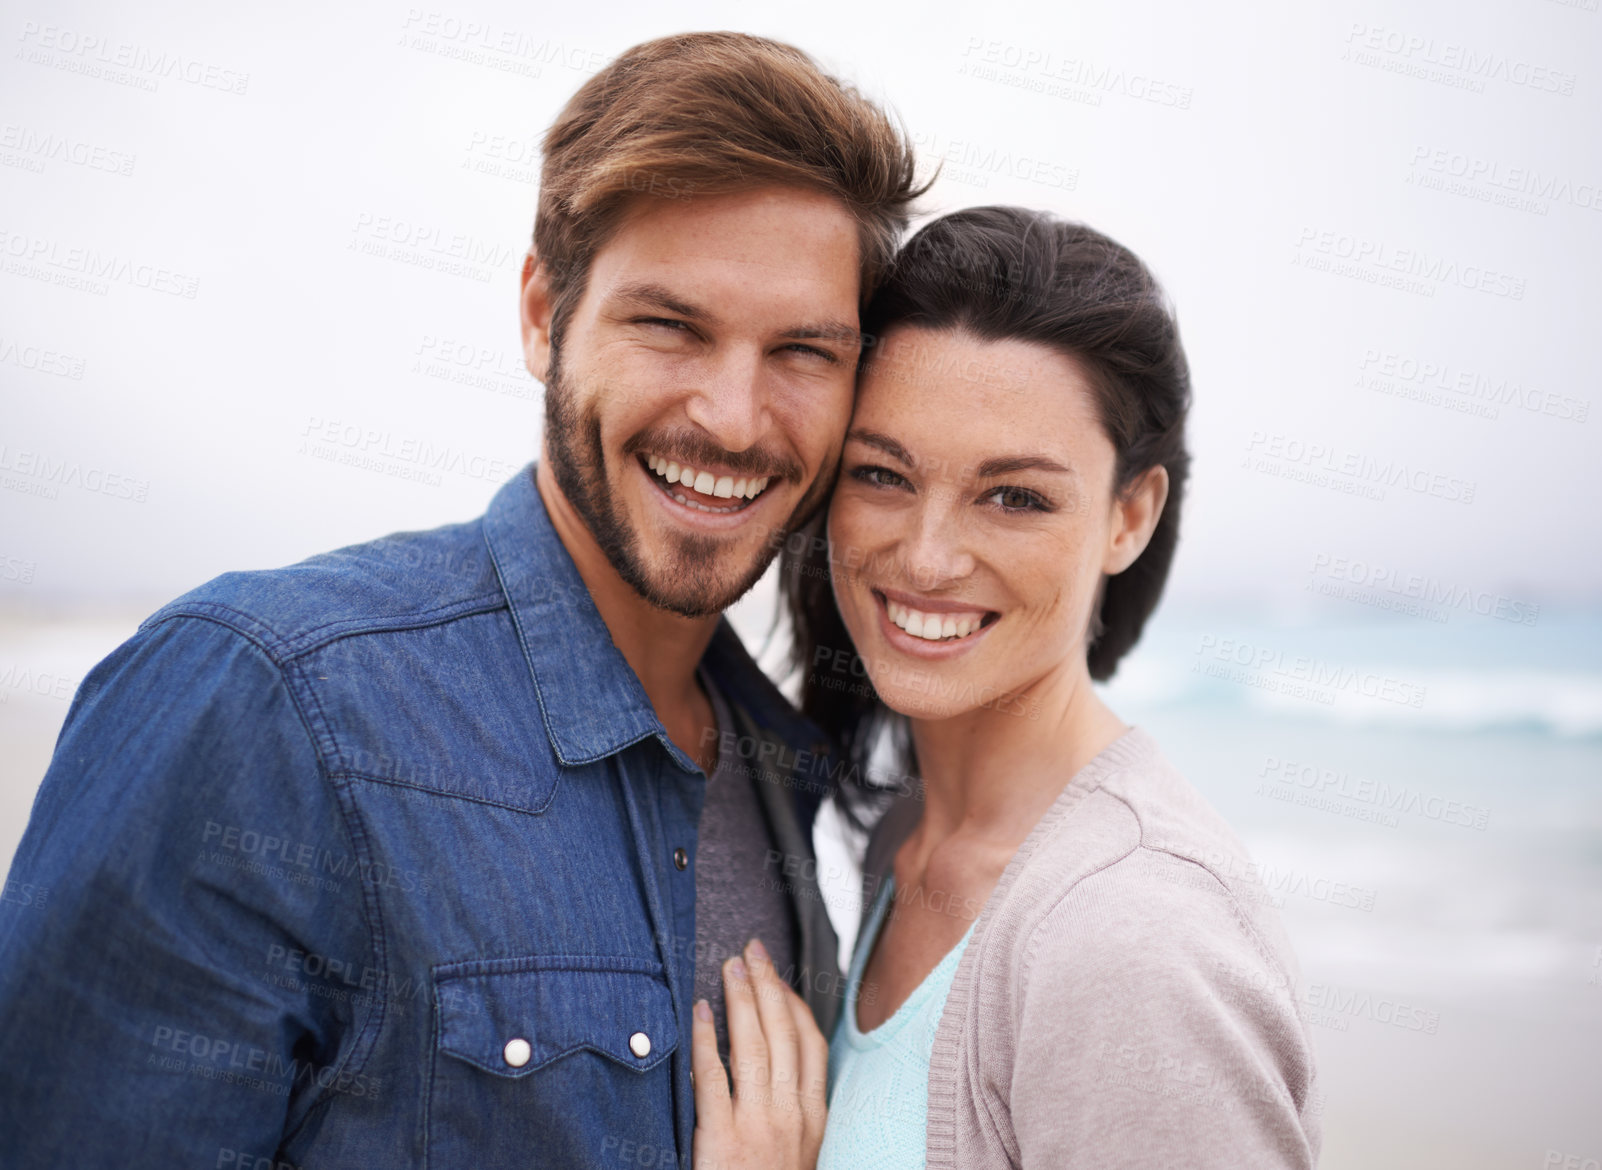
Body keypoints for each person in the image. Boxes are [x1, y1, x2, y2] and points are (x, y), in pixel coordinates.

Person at [0, 32, 925, 1168]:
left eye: (801, 352)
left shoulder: (784, 772)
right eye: (669, 325)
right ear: (543, 314)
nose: (733, 418)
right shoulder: (266, 701)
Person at [771, 206, 1323, 1168]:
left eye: (1014, 496)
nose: (928, 558)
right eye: (882, 475)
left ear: (1129, 516)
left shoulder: (1133, 943)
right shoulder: (906, 838)